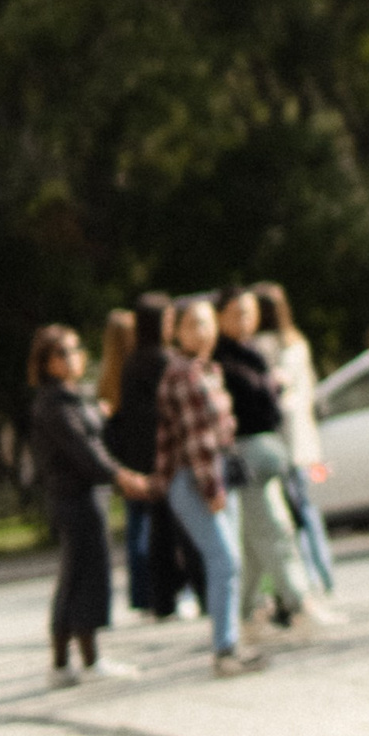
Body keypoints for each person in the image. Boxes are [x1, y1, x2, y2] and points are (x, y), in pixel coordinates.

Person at [28, 324, 152, 686]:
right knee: (81, 577)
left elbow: (92, 441)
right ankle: (76, 660)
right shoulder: (54, 404)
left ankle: (74, 660)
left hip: (87, 496)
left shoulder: (72, 397)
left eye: (76, 349)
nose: (73, 358)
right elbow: (83, 451)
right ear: (46, 362)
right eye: (62, 353)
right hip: (75, 498)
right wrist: (122, 477)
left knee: (83, 575)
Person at [157, 297, 263, 676]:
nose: (202, 332)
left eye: (206, 323)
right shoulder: (183, 374)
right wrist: (212, 488)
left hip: (216, 471)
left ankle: (230, 643)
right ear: (177, 332)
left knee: (230, 562)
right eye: (193, 325)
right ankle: (224, 648)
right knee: (224, 560)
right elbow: (196, 439)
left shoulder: (208, 368)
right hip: (195, 478)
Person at [216, 287, 323, 632]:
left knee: (254, 541)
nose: (244, 320)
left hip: (267, 451)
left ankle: (245, 610)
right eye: (236, 313)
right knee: (274, 530)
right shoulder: (221, 358)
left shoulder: (255, 351)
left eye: (249, 312)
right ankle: (298, 601)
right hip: (243, 455)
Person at [105, 293, 199, 619]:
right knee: (173, 529)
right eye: (170, 320)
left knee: (154, 530)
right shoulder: (161, 361)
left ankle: (159, 598)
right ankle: (183, 591)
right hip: (162, 457)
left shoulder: (133, 361)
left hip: (142, 457)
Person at [254, 281, 336, 595]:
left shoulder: (266, 346)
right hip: (304, 439)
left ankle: (311, 576)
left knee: (294, 512)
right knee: (308, 510)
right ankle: (324, 574)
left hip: (284, 439)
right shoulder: (297, 341)